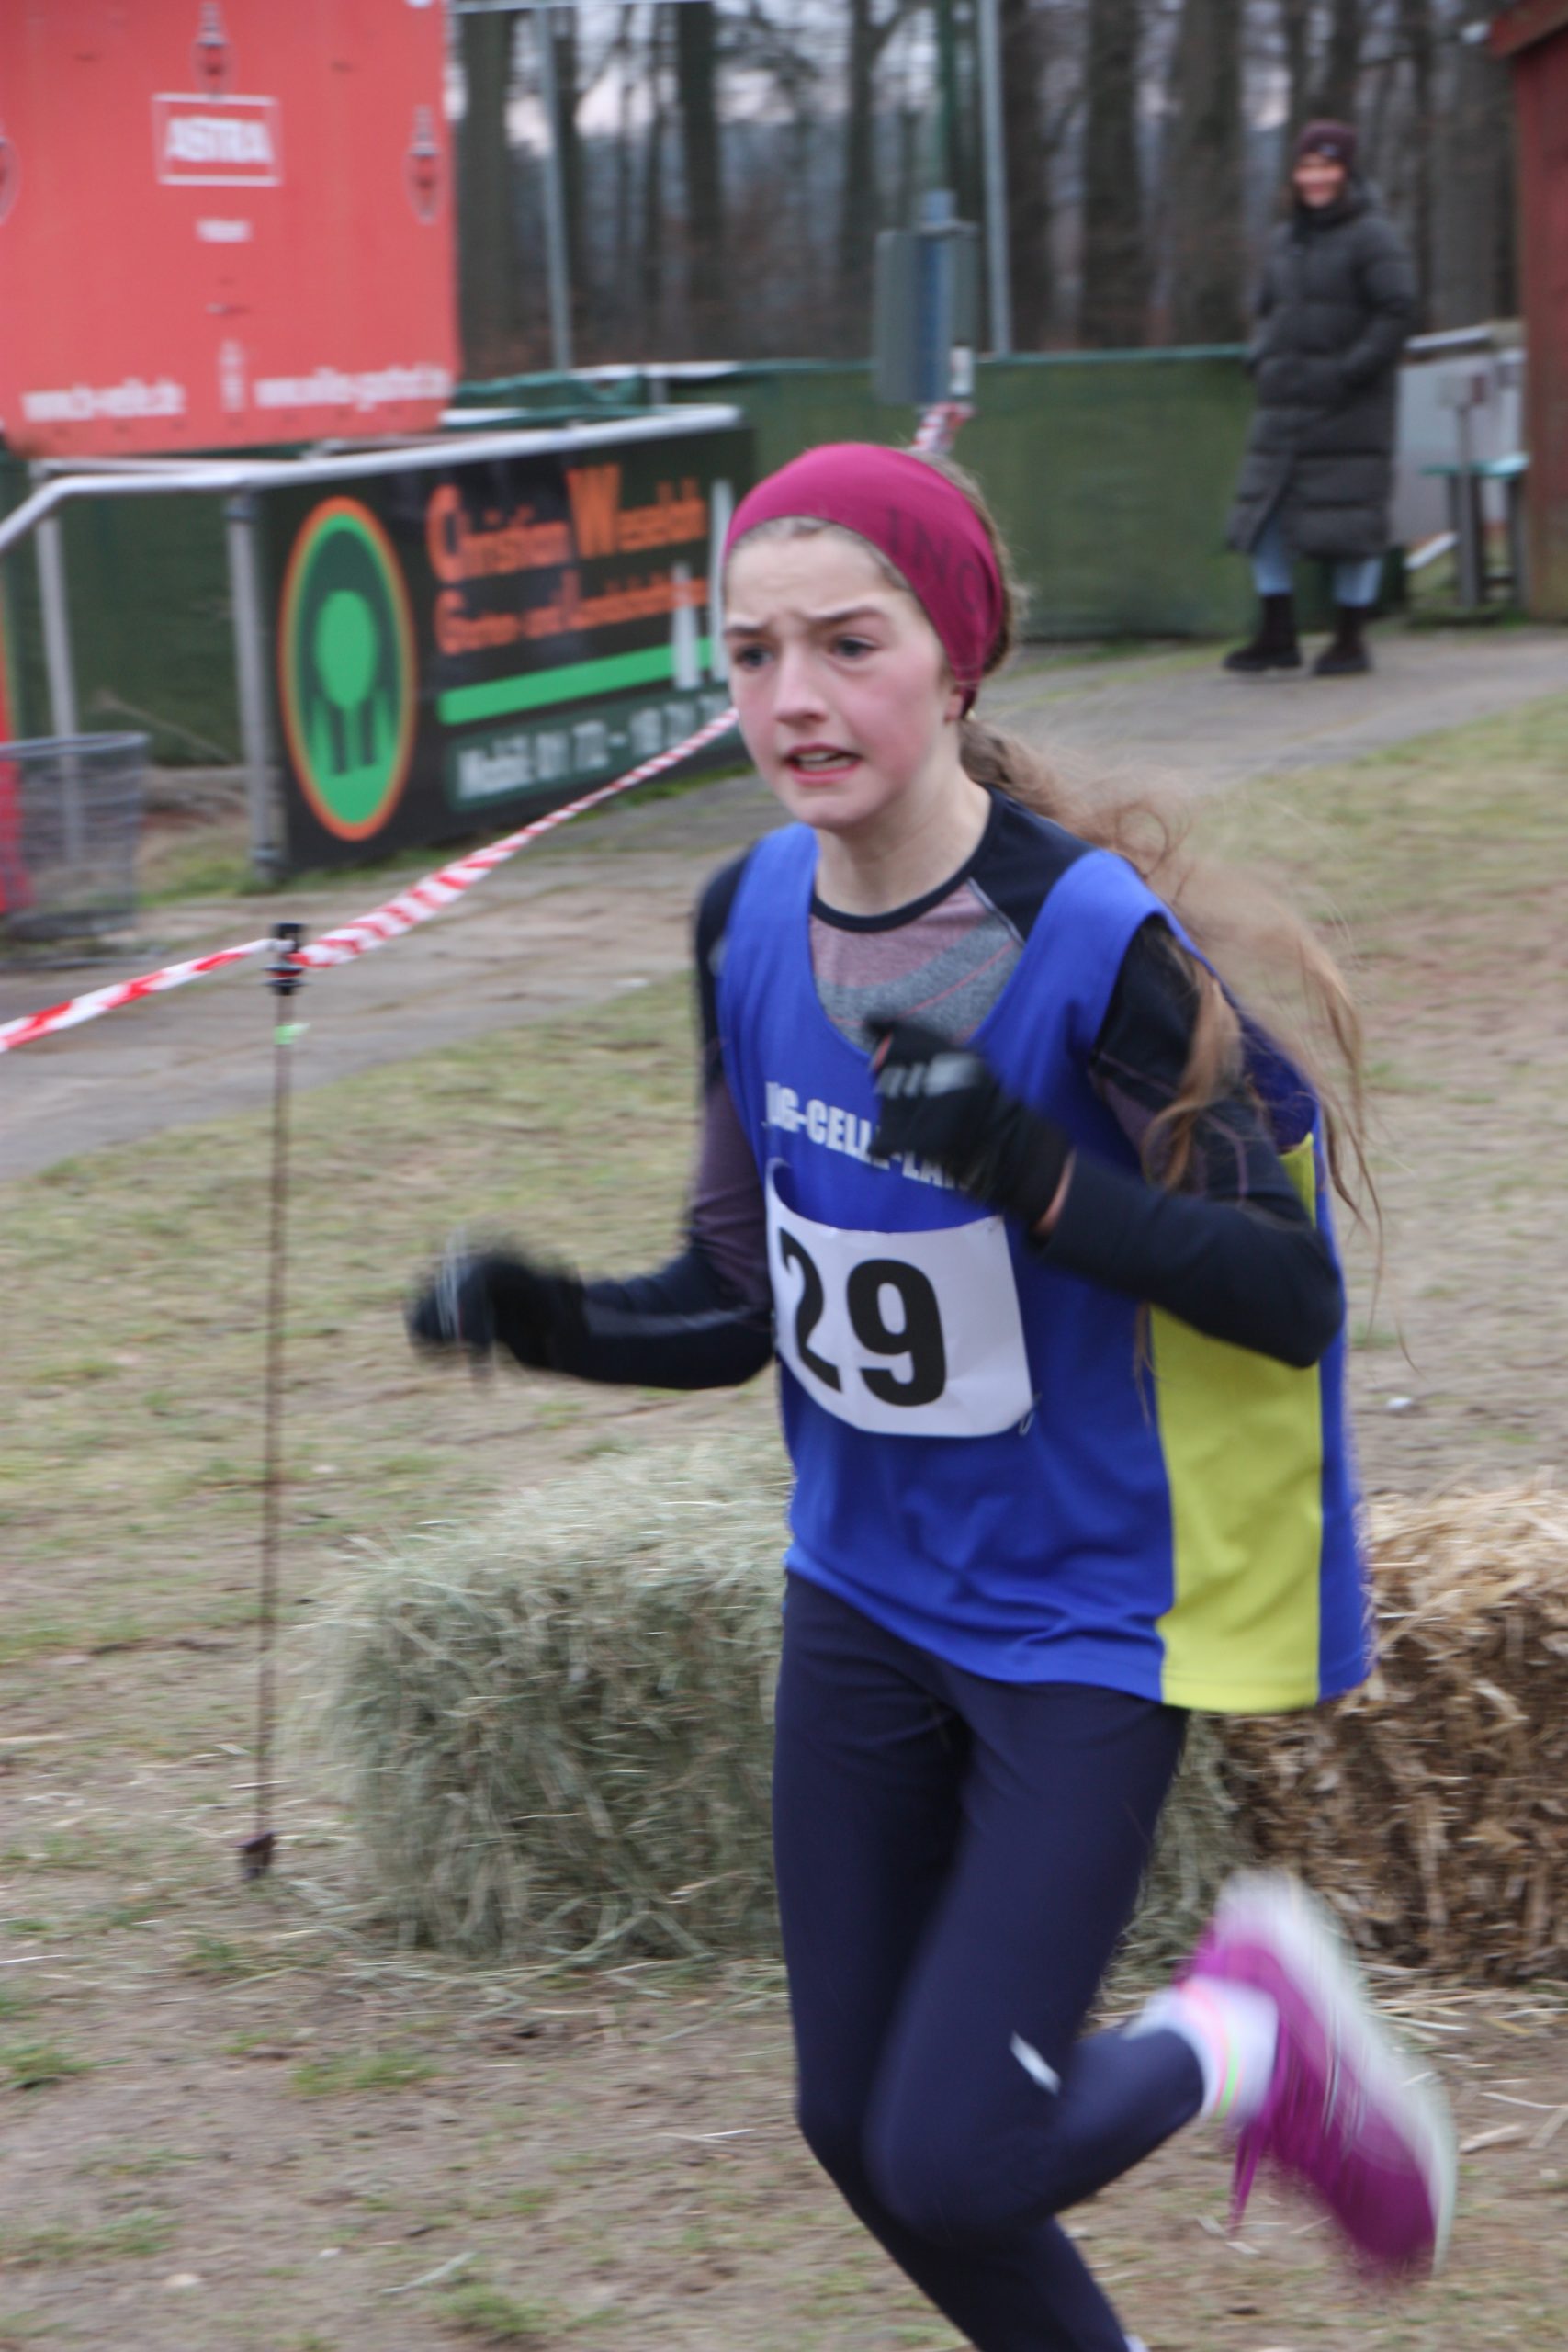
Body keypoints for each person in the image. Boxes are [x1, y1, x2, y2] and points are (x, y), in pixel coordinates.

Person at [409, 444, 1455, 2352]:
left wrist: (1038, 1178)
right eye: (750, 654)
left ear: (954, 659)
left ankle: (1248, 2030)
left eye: (847, 644)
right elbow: (735, 1302)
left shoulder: (1093, 946)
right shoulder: (746, 915)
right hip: (864, 1585)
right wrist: (542, 1314)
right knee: (858, 2125)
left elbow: (1284, 1293)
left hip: (1078, 1608)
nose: (792, 698)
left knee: (960, 2152)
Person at [1225, 119, 1416, 679]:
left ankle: (1350, 640)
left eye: (1327, 166)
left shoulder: (1374, 236)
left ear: (1347, 171)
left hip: (1350, 408)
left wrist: (1348, 372)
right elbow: (1269, 310)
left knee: (1350, 524)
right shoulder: (1285, 238)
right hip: (1283, 406)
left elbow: (1397, 311)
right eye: (1307, 166)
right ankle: (1277, 634)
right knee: (1262, 517)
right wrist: (1261, 358)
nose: (1316, 177)